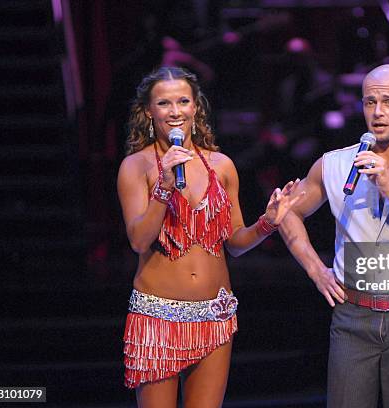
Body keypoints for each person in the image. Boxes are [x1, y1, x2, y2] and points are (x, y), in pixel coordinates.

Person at [117, 66, 302, 408]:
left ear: (195, 108)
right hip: (158, 317)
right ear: (149, 112)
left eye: (183, 101)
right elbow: (139, 241)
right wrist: (164, 188)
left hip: (215, 315)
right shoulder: (136, 166)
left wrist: (268, 223)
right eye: (164, 103)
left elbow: (234, 241)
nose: (175, 111)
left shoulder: (222, 166)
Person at [279, 64, 389, 408]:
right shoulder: (334, 164)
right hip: (352, 316)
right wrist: (316, 270)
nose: (377, 112)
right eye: (369, 102)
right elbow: (287, 212)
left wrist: (388, 187)